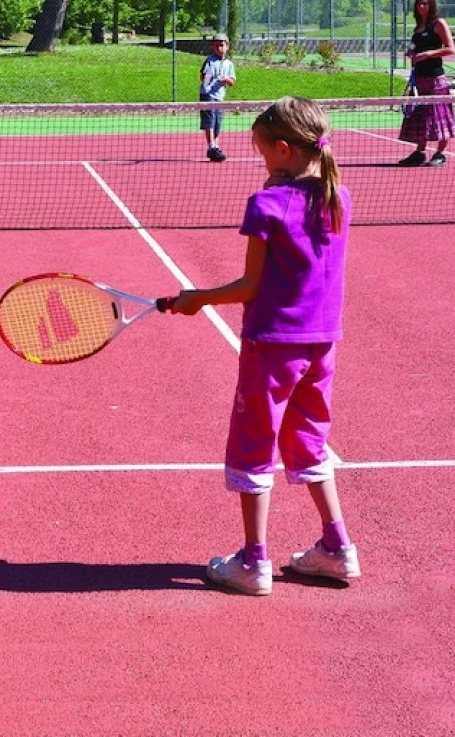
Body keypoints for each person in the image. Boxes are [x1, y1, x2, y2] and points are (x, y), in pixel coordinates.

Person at [165, 96, 357, 596]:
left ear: (282, 149)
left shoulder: (266, 204)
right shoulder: (339, 197)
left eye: (261, 150)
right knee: (309, 441)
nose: (259, 159)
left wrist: (198, 299)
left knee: (254, 445)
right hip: (322, 344)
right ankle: (337, 548)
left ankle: (254, 562)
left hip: (272, 344)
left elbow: (251, 286)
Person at [398, 0, 455, 166]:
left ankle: (440, 153)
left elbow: (450, 48)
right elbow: (414, 45)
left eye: (425, 3)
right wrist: (411, 52)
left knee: (440, 115)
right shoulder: (418, 27)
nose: (422, 7)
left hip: (435, 79)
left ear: (431, 5)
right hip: (419, 79)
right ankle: (420, 152)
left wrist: (429, 54)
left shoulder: (439, 24)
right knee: (420, 116)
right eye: (419, 4)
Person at [199, 32, 236, 162]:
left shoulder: (229, 64)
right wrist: (209, 81)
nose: (220, 48)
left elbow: (232, 82)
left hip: (220, 97)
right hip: (207, 95)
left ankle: (215, 146)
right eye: (216, 46)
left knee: (217, 122)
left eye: (222, 45)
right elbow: (202, 77)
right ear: (212, 48)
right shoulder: (209, 61)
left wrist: (225, 79)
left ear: (227, 46)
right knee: (210, 120)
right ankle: (211, 146)